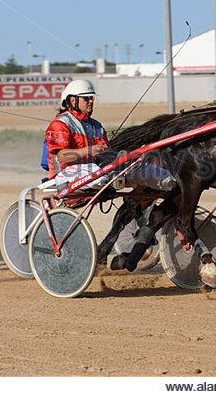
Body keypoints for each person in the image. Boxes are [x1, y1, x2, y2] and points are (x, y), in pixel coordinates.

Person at [45, 79, 177, 272]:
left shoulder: (97, 126)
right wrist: (89, 151)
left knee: (135, 165)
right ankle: (117, 174)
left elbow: (103, 151)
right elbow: (62, 155)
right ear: (72, 100)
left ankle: (164, 180)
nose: (91, 102)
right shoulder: (60, 124)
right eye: (86, 99)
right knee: (104, 172)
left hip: (97, 170)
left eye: (91, 99)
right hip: (68, 173)